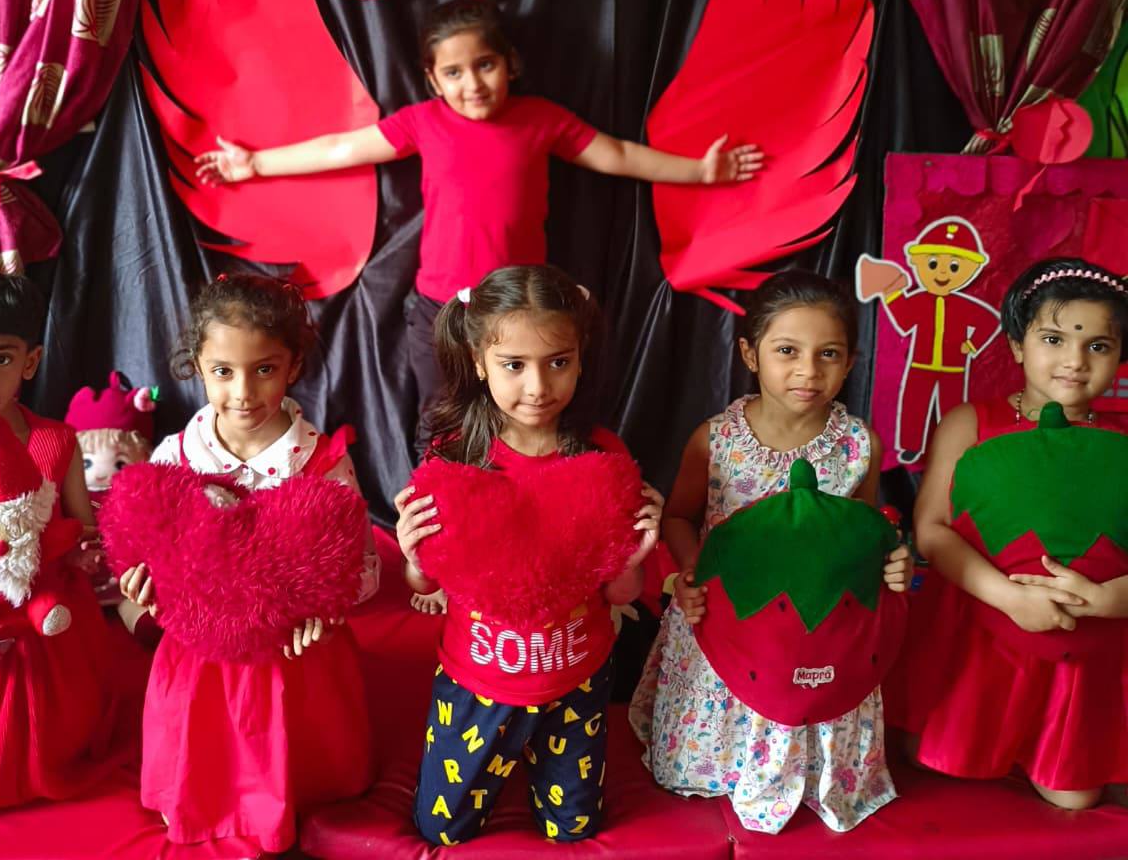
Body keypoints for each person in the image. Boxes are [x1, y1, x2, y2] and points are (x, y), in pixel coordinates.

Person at [195, 0, 763, 446]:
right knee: (440, 419)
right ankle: (439, 517)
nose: (472, 84)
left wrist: (699, 172)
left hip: (521, 312)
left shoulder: (539, 119)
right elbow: (341, 149)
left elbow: (615, 155)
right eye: (455, 72)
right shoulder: (424, 122)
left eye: (485, 65)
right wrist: (255, 164)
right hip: (439, 310)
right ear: (433, 80)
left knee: (529, 417)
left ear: (509, 64)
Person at [630, 271, 912, 834]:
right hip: (727, 620)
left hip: (818, 635)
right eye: (787, 351)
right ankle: (721, 764)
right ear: (749, 354)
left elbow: (866, 534)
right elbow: (680, 517)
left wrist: (894, 561)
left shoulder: (860, 445)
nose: (809, 370)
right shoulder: (716, 440)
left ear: (851, 363)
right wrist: (691, 571)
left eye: (828, 353)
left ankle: (814, 775)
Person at [394, 265, 662, 843]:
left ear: (581, 358)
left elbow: (621, 592)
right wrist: (413, 554)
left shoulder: (600, 458)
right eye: (514, 365)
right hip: (477, 683)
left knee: (574, 829)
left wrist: (634, 555)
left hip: (576, 681)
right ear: (478, 361)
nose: (538, 386)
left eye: (557, 362)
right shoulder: (455, 458)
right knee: (441, 829)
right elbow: (423, 584)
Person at [120, 274, 380, 851]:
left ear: (293, 366)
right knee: (205, 739)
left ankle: (291, 793)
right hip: (202, 651)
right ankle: (204, 793)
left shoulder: (322, 462)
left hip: (292, 653)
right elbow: (149, 547)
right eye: (223, 371)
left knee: (286, 738)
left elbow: (362, 565)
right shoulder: (175, 456)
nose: (243, 391)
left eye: (264, 369)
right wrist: (143, 581)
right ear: (198, 365)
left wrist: (324, 607)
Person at [906, 258, 1128, 809]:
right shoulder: (970, 423)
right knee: (936, 768)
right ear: (1016, 346)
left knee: (1075, 799)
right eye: (1054, 339)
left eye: (1098, 346)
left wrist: (1111, 598)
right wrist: (1009, 597)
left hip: (1089, 653)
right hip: (979, 639)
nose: (1075, 360)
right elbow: (931, 530)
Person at [0, 269, 129, 823]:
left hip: (43, 624)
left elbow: (83, 531)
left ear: (30, 362)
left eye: (1, 359)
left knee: (55, 741)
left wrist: (88, 554)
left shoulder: (54, 442)